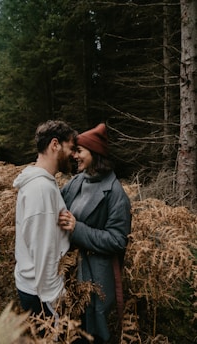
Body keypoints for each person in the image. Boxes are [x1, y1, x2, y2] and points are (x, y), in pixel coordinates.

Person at [58, 123, 131, 344]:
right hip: (71, 269)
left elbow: (118, 240)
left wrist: (77, 228)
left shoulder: (115, 193)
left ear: (95, 153)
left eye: (80, 151)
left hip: (97, 276)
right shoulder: (78, 180)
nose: (74, 155)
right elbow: (57, 203)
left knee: (94, 333)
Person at [13, 120, 76, 324]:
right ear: (55, 144)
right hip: (42, 294)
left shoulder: (43, 183)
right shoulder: (40, 189)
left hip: (35, 288)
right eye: (71, 148)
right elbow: (44, 250)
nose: (74, 155)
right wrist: (56, 298)